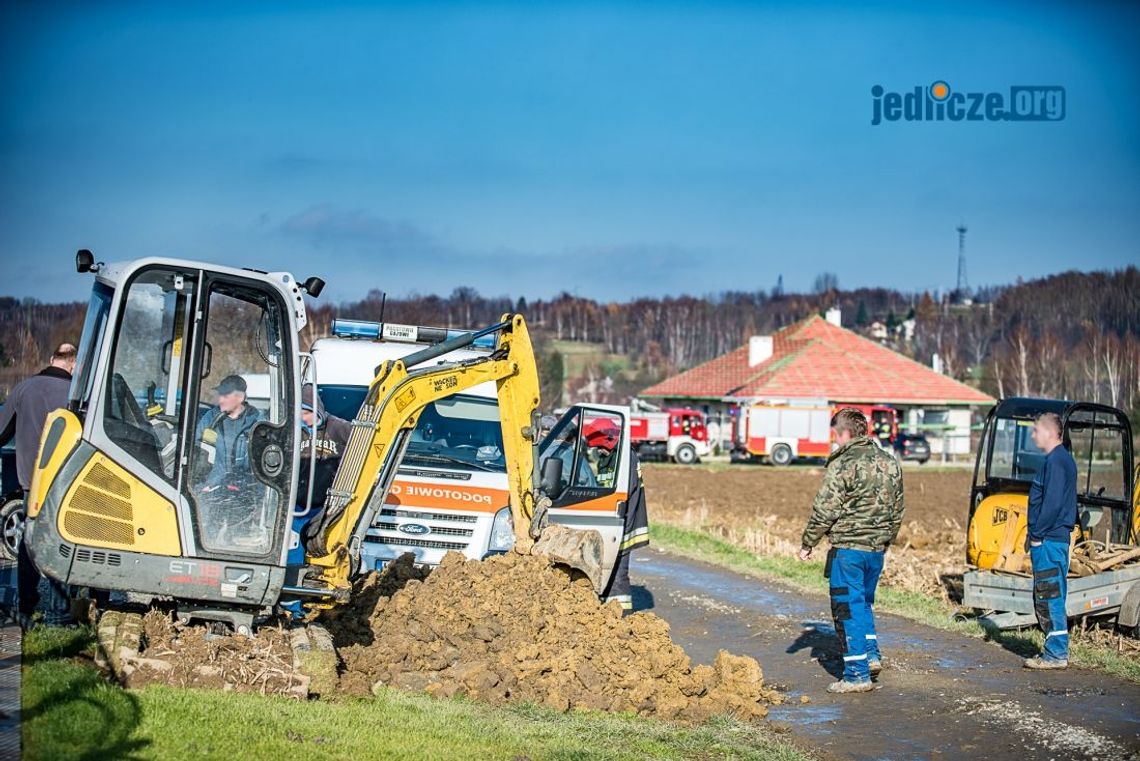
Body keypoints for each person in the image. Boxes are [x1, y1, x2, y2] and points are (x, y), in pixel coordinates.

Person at [798, 407, 905, 694]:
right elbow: (898, 508)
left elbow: (825, 509)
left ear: (844, 433)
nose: (835, 441)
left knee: (848, 609)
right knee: (863, 604)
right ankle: (870, 656)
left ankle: (857, 674)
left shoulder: (843, 464)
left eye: (835, 435)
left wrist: (808, 542)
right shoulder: (890, 462)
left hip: (849, 551)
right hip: (876, 551)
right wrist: (886, 540)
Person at [0, 343, 77, 626]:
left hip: (32, 480)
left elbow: (1, 430)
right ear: (74, 365)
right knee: (64, 540)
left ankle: (27, 603)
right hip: (67, 483)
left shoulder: (23, 389)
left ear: (51, 359)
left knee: (29, 542)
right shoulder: (77, 393)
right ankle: (61, 609)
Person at [1023, 411, 1077, 670]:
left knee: (1050, 596)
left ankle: (1056, 654)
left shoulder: (1056, 462)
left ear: (1049, 432)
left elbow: (1052, 504)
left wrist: (1036, 536)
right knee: (1050, 595)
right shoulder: (1060, 460)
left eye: (1036, 430)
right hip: (1051, 539)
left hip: (1049, 540)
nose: (1033, 435)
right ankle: (1055, 649)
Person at [195, 375, 262, 544]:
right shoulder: (210, 419)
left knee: (237, 542)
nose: (220, 399)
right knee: (204, 539)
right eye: (220, 395)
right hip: (211, 491)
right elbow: (197, 452)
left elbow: (262, 465)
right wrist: (201, 485)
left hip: (243, 495)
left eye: (225, 395)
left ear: (240, 397)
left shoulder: (258, 423)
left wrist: (258, 498)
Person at [289, 385, 351, 566]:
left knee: (320, 551)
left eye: (304, 412)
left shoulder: (338, 427)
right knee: (294, 552)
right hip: (298, 505)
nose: (300, 417)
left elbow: (362, 442)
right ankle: (293, 584)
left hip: (326, 509)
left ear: (315, 411)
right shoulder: (296, 432)